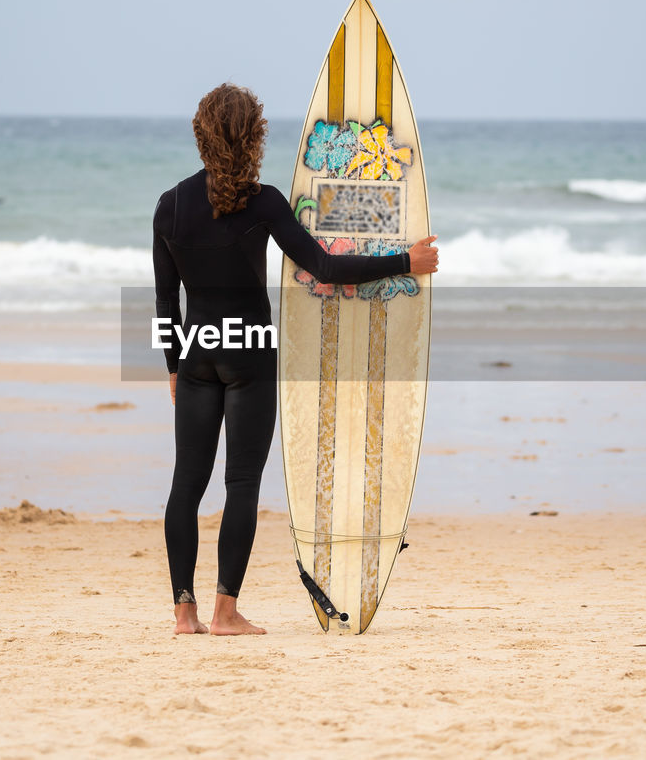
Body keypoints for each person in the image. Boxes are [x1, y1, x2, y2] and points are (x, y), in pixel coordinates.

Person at [153, 83, 439, 636]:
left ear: (201, 135)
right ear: (254, 136)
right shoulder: (262, 205)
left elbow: (167, 301)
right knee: (241, 484)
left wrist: (173, 363)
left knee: (186, 483)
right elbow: (324, 268)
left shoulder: (171, 205)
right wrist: (407, 260)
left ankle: (184, 614)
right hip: (251, 357)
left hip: (197, 356)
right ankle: (225, 613)